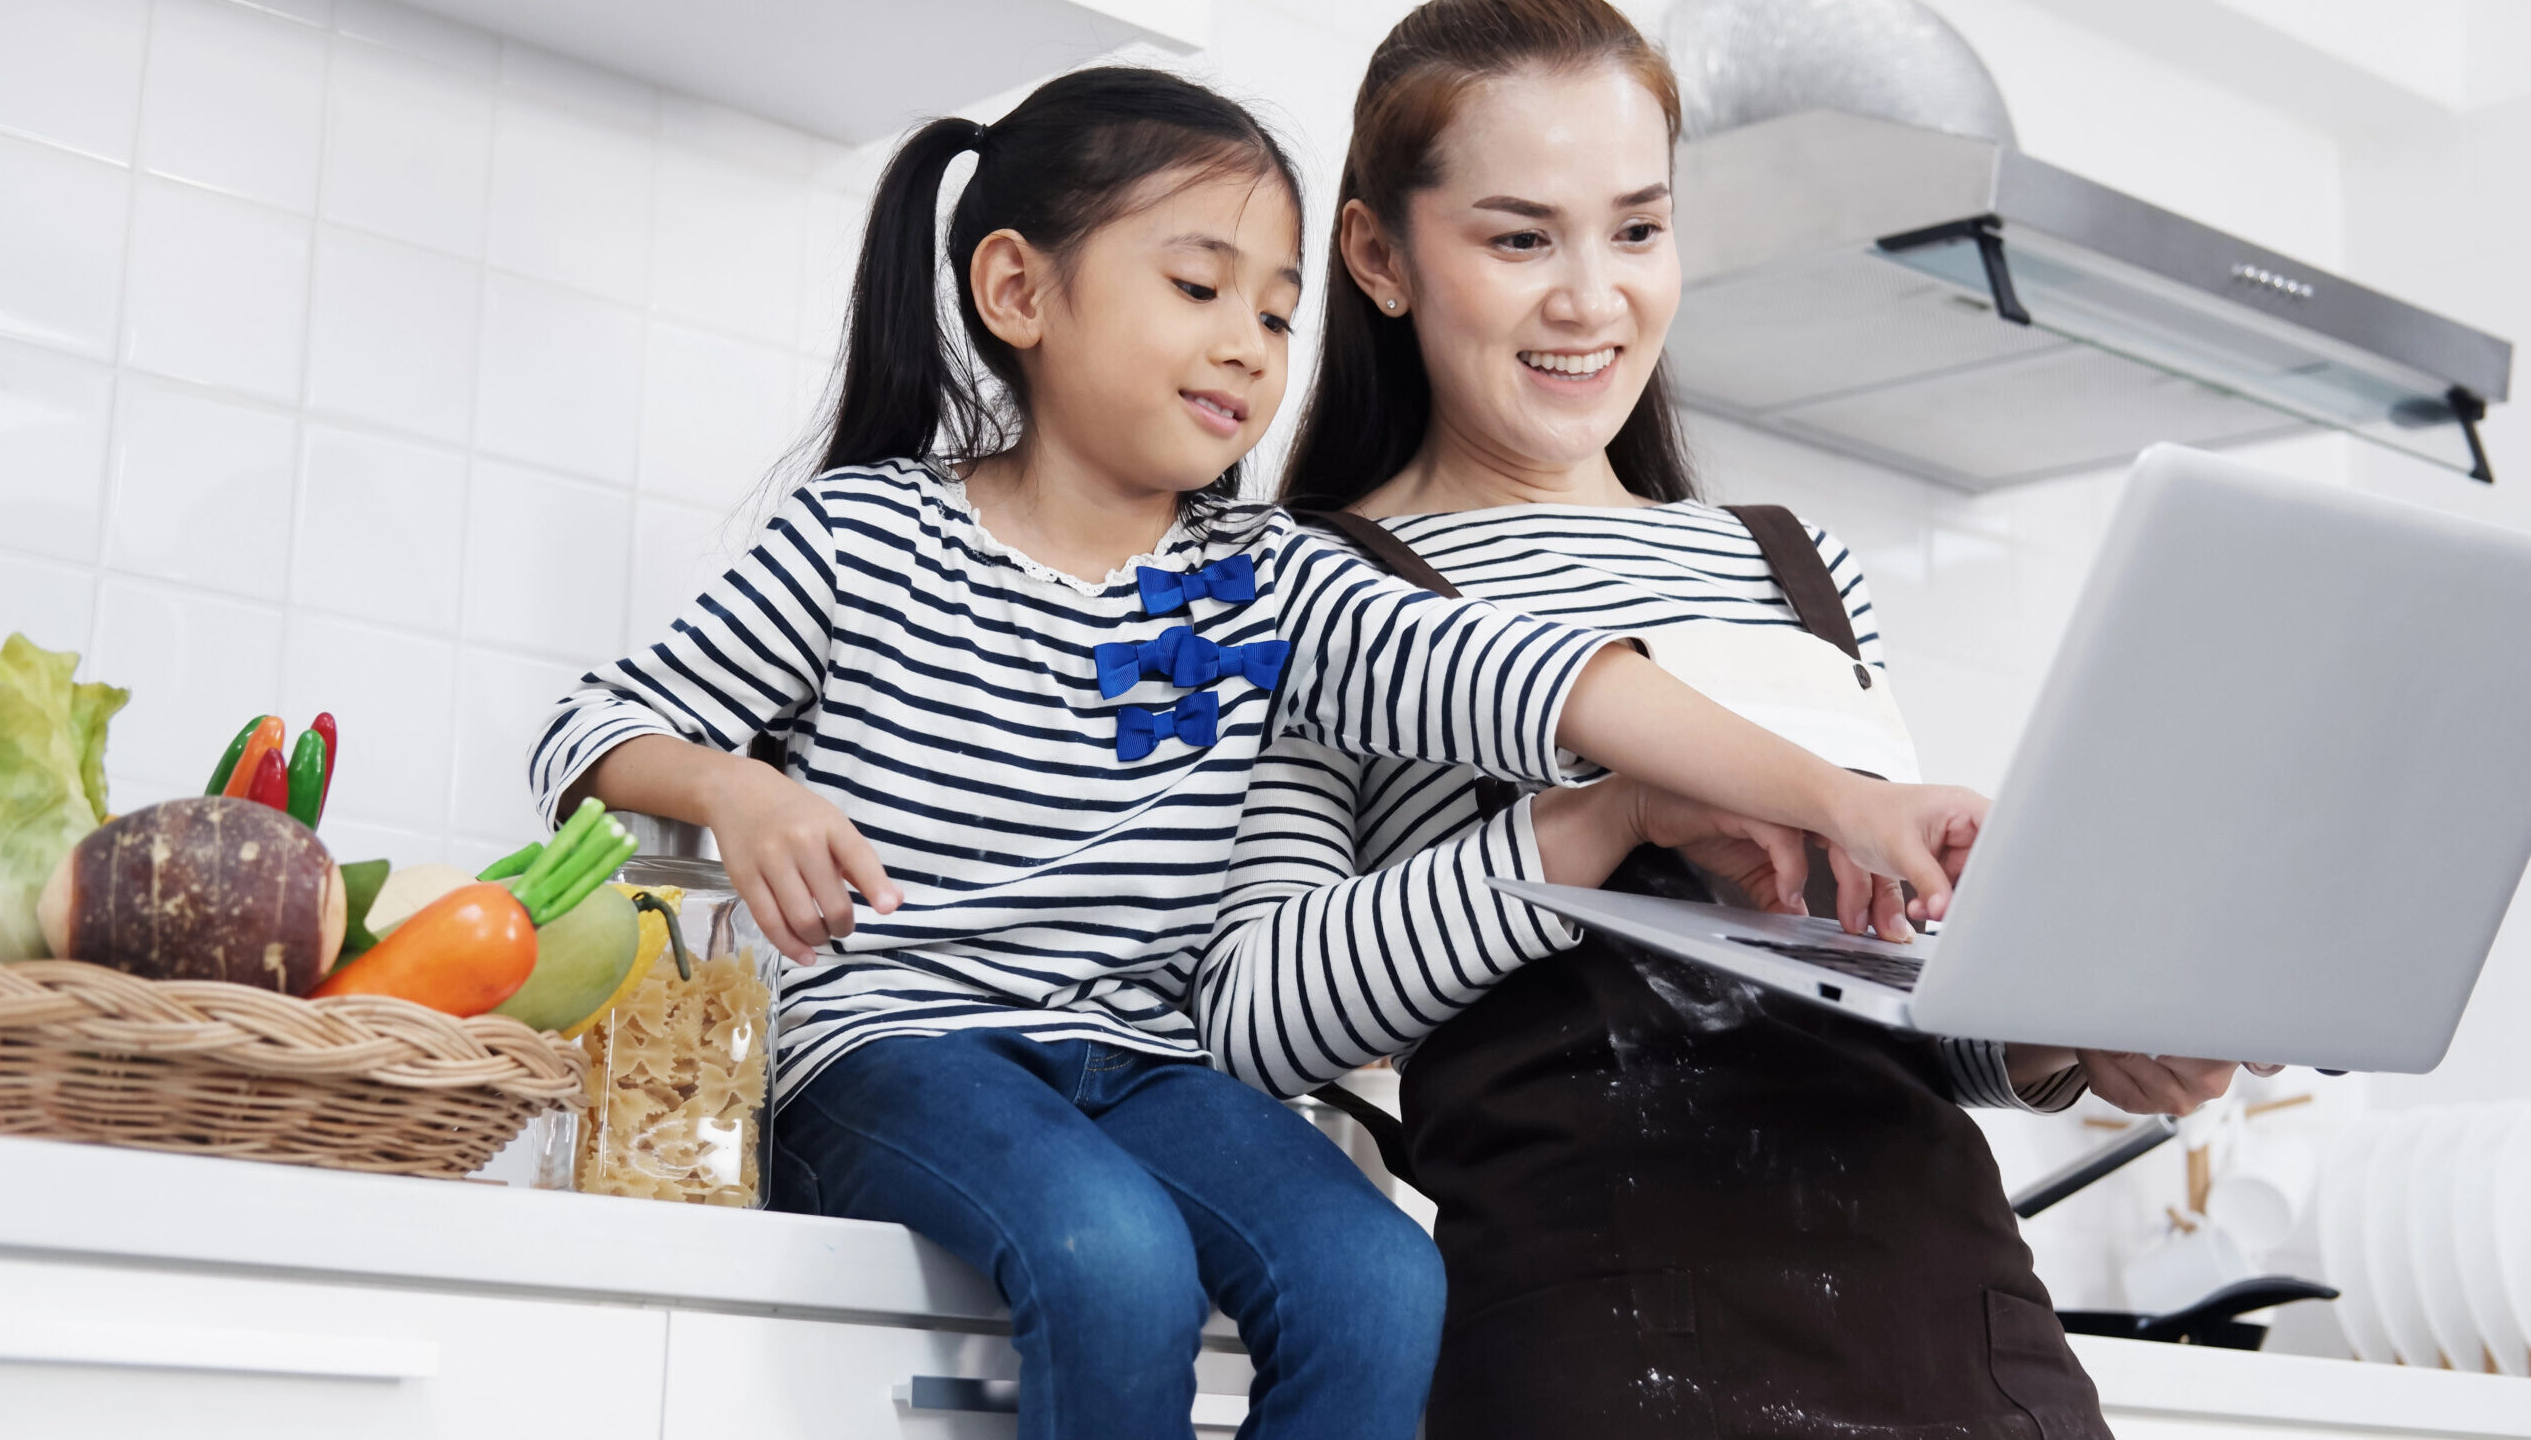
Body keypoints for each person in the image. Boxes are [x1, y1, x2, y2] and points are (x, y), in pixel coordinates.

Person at [528, 65, 1986, 1440]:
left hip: (1152, 1063)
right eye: (1199, 288)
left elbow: (1534, 678)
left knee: (1382, 1288)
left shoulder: (1266, 577)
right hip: (896, 1045)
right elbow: (587, 731)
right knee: (1108, 1253)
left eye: (1281, 315)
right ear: (1019, 290)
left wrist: (1838, 800)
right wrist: (737, 786)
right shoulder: (865, 541)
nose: (1249, 345)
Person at [1199, 4, 2242, 1436]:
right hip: (1611, 1341)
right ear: (1380, 257)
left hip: (1964, 1340)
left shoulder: (1793, 562)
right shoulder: (1317, 585)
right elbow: (1258, 1015)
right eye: (1521, 240)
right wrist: (1599, 822)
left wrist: (2065, 1043)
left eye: (1637, 231)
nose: (1591, 298)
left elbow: (1888, 989)